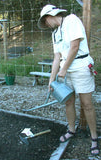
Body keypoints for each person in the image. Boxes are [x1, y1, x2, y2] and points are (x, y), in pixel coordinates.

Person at [38, 4, 99, 156]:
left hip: (80, 67)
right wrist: (51, 80)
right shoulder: (55, 33)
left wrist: (63, 70)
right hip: (66, 71)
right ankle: (72, 130)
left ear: (50, 16)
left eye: (45, 22)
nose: (46, 25)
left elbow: (75, 46)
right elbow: (57, 57)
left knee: (86, 104)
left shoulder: (71, 20)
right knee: (68, 101)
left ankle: (94, 137)